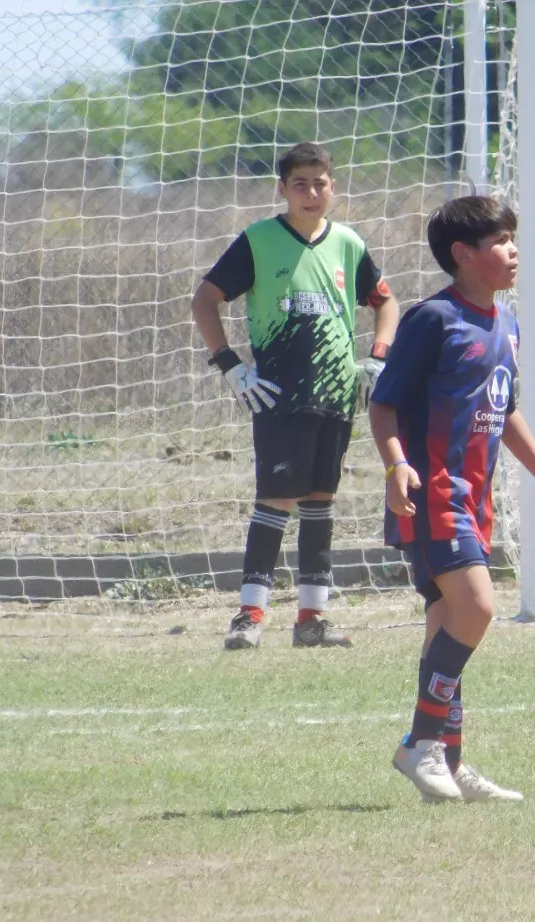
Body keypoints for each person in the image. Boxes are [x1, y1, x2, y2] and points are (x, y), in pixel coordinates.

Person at [369, 195, 535, 803]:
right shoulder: (432, 320)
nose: (513, 251)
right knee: (479, 609)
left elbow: (503, 407)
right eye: (500, 242)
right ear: (463, 255)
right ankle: (420, 744)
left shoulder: (505, 323)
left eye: (513, 239)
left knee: (447, 622)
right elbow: (382, 403)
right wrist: (397, 465)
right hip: (432, 493)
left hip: (474, 498)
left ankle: (450, 760)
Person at [192, 142, 399, 651]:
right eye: (300, 184)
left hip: (336, 395)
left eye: (320, 182)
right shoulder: (259, 240)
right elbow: (205, 300)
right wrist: (231, 366)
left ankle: (312, 619)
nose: (311, 192)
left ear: (334, 187)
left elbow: (386, 302)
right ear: (282, 190)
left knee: (320, 503)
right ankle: (249, 615)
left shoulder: (348, 243)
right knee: (276, 500)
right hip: (279, 397)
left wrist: (376, 355)